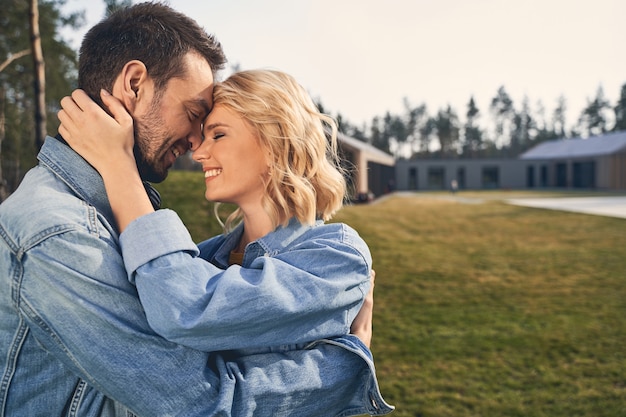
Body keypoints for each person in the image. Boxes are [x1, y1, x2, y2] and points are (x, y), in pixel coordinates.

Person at [0, 3, 392, 417]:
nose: (195, 146)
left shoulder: (173, 252)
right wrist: (345, 367)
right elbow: (198, 400)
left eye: (214, 132)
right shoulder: (61, 232)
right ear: (134, 84)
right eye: (193, 116)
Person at [58, 68, 390, 360]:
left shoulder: (336, 256)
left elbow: (187, 310)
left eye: (218, 135)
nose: (199, 152)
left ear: (275, 143)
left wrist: (119, 165)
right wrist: (346, 369)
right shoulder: (199, 261)